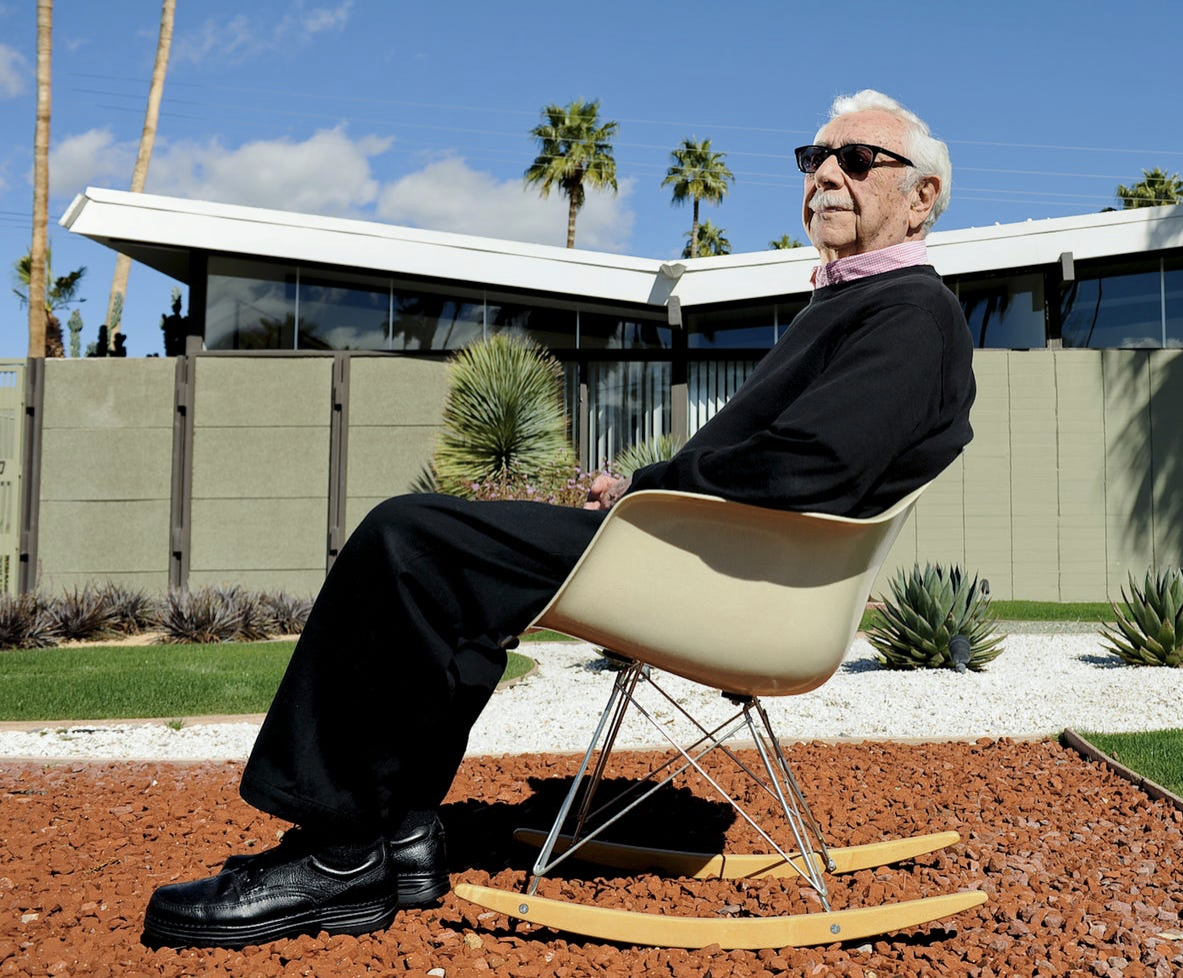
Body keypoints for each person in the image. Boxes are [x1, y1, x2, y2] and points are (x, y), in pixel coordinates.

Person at [141, 89, 976, 949]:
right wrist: (647, 492)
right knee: (442, 571)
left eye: (857, 160)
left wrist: (650, 486)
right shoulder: (853, 304)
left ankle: (336, 853)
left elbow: (814, 464)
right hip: (710, 557)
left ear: (923, 199)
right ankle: (399, 831)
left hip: (732, 580)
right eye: (814, 159)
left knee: (408, 537)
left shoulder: (907, 311)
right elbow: (793, 462)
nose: (826, 174)